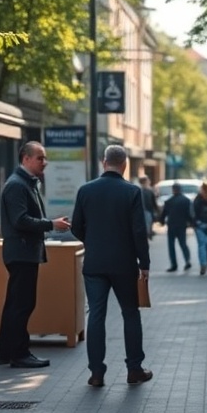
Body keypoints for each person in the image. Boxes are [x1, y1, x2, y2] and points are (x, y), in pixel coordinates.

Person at [71, 145, 153, 387]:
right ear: (125, 165)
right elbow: (139, 230)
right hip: (124, 264)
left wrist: (93, 241)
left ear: (103, 162)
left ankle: (96, 373)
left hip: (95, 262)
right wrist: (144, 263)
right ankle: (134, 369)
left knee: (96, 314)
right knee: (130, 313)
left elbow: (76, 226)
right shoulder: (131, 192)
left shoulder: (86, 191)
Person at [0, 141, 71, 368]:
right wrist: (50, 224)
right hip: (21, 252)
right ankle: (19, 354)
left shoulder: (25, 183)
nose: (44, 162)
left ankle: (7, 353)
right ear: (25, 159)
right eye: (40, 158)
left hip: (23, 251)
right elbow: (20, 220)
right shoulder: (17, 185)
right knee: (22, 304)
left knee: (16, 304)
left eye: (45, 158)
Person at [161, 182, 194, 272]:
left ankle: (173, 264)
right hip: (182, 225)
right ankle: (187, 260)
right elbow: (189, 214)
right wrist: (192, 223)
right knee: (183, 244)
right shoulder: (186, 201)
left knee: (171, 246)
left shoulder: (168, 201)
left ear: (173, 190)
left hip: (171, 225)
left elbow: (164, 213)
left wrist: (161, 221)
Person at [138, 175, 159, 241]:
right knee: (147, 225)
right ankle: (148, 234)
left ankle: (148, 233)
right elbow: (153, 203)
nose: (149, 181)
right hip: (146, 211)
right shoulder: (148, 191)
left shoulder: (139, 190)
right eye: (148, 180)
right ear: (145, 182)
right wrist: (157, 210)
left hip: (144, 211)